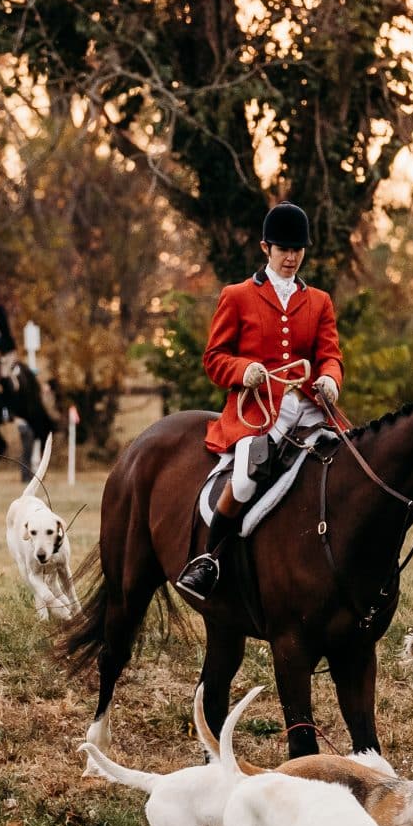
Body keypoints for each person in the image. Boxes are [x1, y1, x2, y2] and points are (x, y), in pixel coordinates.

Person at [174, 201, 344, 601]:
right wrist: (242, 370)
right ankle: (210, 559)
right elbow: (214, 358)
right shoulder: (237, 296)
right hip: (258, 411)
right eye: (284, 249)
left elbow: (330, 355)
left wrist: (330, 379)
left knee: (346, 466)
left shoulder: (319, 301)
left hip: (310, 404)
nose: (291, 257)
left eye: (298, 249)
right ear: (265, 247)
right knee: (250, 472)